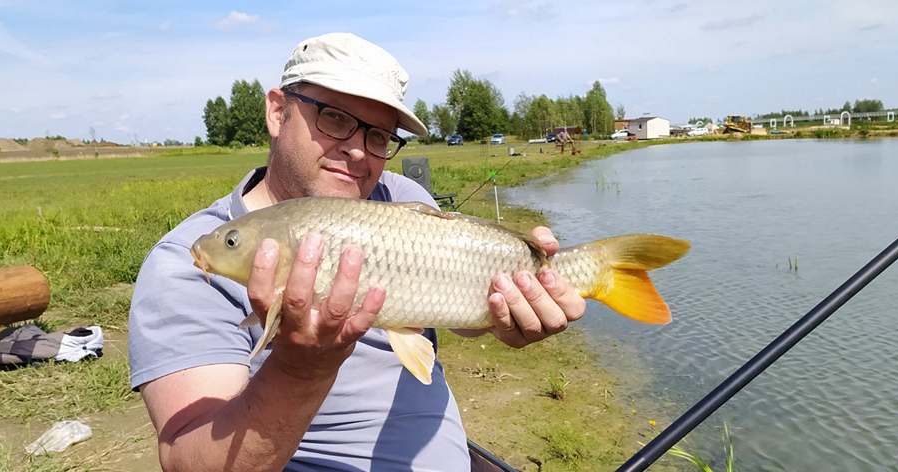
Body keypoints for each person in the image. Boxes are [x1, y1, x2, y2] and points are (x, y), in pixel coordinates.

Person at [128, 32, 586, 471]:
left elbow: (440, 304)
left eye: (379, 136)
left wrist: (502, 317)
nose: (359, 153)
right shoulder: (186, 267)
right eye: (335, 117)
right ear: (276, 111)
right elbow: (190, 461)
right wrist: (301, 371)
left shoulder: (398, 195)